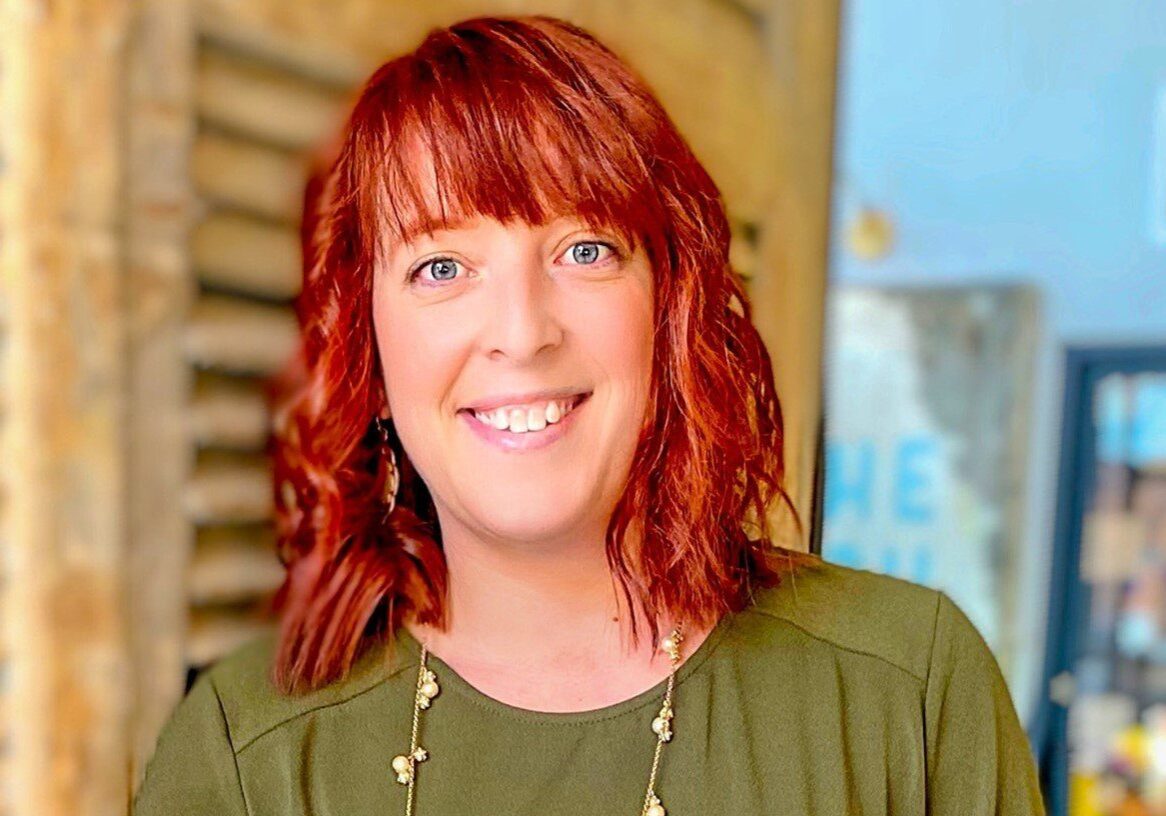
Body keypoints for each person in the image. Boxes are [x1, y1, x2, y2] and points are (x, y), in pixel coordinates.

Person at [132, 14, 1046, 816]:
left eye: (584, 249)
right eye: (441, 267)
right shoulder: (246, 752)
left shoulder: (907, 690)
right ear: (368, 349)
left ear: (671, 308)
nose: (522, 333)